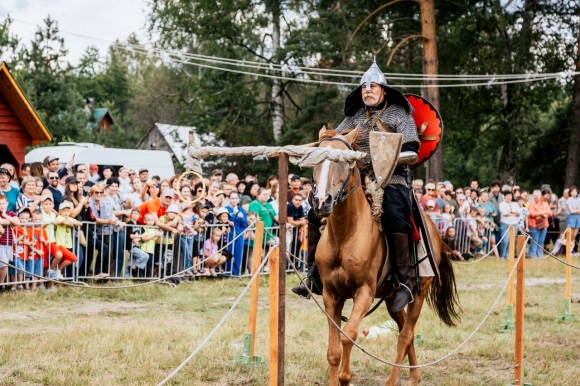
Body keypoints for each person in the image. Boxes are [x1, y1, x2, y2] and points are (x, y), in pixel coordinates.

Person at [292, 60, 421, 311]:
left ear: (383, 90)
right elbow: (337, 141)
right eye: (364, 86)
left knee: (394, 212)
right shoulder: (353, 116)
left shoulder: (399, 115)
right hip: (354, 180)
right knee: (314, 211)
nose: (367, 90)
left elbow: (412, 149)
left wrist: (382, 159)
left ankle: (403, 281)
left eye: (373, 86)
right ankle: (313, 277)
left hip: (389, 179)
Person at [225, 191, 248, 276]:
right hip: (230, 234)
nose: (234, 200)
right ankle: (228, 272)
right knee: (229, 253)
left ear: (238, 199)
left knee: (238, 254)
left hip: (239, 234)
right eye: (232, 198)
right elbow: (226, 221)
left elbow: (244, 224)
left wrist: (242, 219)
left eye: (235, 198)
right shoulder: (227, 209)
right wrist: (234, 215)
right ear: (229, 199)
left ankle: (236, 273)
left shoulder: (241, 210)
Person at [124, 208, 151, 278]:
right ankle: (134, 267)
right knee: (145, 256)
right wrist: (139, 236)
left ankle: (126, 276)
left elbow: (143, 235)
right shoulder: (129, 223)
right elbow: (131, 235)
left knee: (131, 260)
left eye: (137, 214)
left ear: (139, 215)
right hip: (131, 246)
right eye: (134, 213)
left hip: (138, 245)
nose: (135, 215)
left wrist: (138, 238)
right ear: (131, 215)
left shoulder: (139, 224)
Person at [498, 190, 520, 259]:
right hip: (505, 224)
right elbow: (505, 213)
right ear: (504, 196)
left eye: (510, 196)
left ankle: (508, 255)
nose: (509, 197)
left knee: (512, 240)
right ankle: (502, 255)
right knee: (505, 240)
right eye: (507, 196)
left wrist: (511, 212)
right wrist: (514, 214)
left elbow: (519, 212)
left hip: (514, 224)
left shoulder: (515, 204)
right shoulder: (502, 204)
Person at [527, 190, 548, 258]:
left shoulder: (545, 204)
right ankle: (533, 255)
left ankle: (539, 255)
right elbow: (532, 213)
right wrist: (542, 213)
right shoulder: (531, 204)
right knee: (534, 241)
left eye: (537, 195)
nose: (535, 197)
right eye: (534, 195)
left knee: (541, 241)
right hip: (534, 225)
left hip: (544, 224)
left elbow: (549, 213)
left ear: (540, 196)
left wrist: (539, 213)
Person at [566, 186, 580, 252]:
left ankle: (572, 249)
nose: (574, 193)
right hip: (571, 217)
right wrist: (577, 210)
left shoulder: (579, 199)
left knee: (574, 235)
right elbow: (571, 211)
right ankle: (569, 250)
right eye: (573, 191)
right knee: (570, 235)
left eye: (575, 191)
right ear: (570, 192)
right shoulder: (569, 200)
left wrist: (577, 211)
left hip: (578, 217)